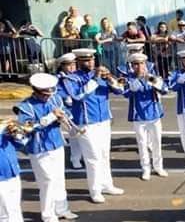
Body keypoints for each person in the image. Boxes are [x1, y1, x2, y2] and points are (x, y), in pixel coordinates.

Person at [15, 73, 78, 222]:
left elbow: (66, 112)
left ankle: (62, 208)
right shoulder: (25, 107)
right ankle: (48, 214)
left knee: (59, 178)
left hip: (56, 143)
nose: (47, 97)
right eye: (44, 94)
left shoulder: (55, 98)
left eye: (49, 93)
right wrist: (50, 117)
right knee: (47, 182)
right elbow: (26, 128)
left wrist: (64, 117)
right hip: (39, 148)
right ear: (35, 91)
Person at [63, 49, 125, 203]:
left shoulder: (100, 75)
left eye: (91, 60)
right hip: (86, 123)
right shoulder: (72, 79)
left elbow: (119, 90)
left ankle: (107, 184)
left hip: (104, 120)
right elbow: (78, 96)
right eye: (86, 61)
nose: (90, 63)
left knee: (104, 155)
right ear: (78, 62)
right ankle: (95, 190)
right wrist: (96, 79)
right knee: (93, 157)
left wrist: (110, 77)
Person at [124, 53, 169, 181]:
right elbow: (125, 94)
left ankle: (158, 166)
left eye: (142, 64)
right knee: (142, 144)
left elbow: (165, 90)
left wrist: (153, 81)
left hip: (154, 114)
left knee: (157, 142)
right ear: (132, 66)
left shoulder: (153, 76)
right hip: (138, 116)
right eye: (136, 64)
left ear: (145, 64)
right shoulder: (129, 79)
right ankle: (146, 168)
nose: (139, 67)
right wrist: (136, 82)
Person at [0, 115, 33, 222]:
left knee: (14, 209)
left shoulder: (4, 129)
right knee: (3, 214)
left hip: (13, 173)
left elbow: (22, 144)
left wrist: (18, 133)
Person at [55, 53, 83, 169]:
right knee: (74, 136)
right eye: (68, 65)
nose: (72, 67)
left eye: (73, 64)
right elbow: (56, 94)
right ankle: (75, 158)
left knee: (85, 136)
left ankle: (84, 156)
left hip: (81, 108)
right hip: (69, 109)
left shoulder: (79, 76)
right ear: (62, 66)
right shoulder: (58, 79)